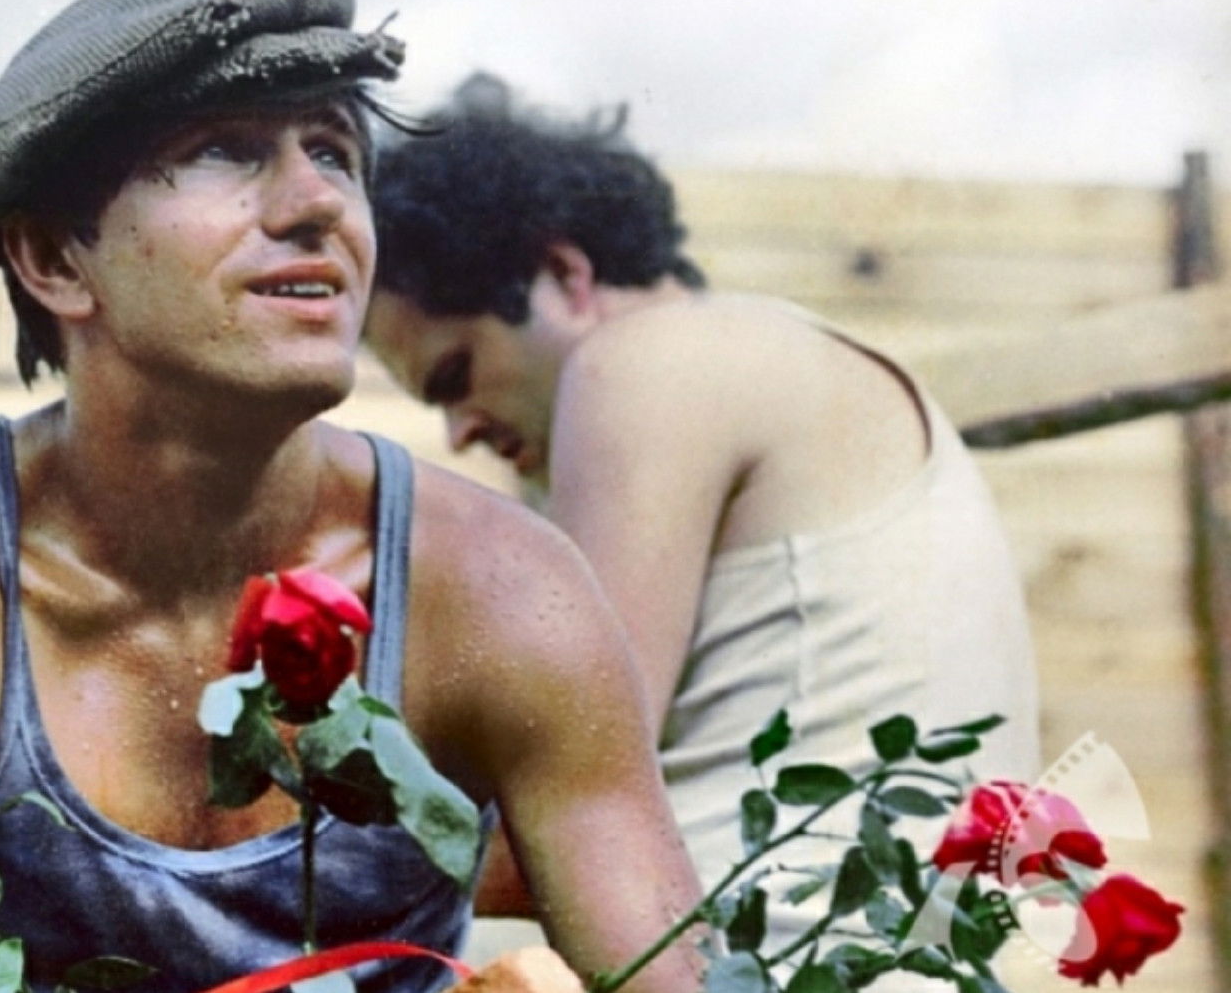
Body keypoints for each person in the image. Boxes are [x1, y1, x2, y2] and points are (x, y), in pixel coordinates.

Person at [0, 0, 703, 993]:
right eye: (225, 150)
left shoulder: (502, 588)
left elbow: (677, 982)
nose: (316, 202)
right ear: (57, 258)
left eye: (334, 151)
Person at [363, 74, 1043, 951]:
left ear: (564, 273)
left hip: (773, 947)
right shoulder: (770, 349)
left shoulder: (643, 364)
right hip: (904, 947)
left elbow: (556, 804)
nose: (459, 432)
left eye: (457, 374)